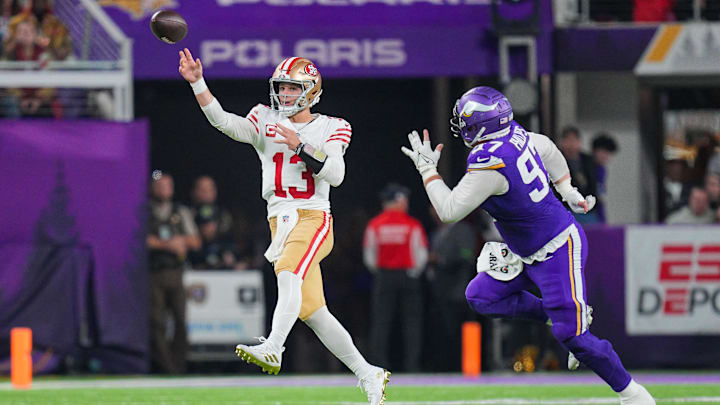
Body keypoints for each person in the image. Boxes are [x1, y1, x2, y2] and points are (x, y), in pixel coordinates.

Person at [400, 86, 655, 405]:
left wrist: (426, 170)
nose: (461, 126)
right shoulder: (515, 135)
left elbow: (449, 211)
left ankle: (633, 395)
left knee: (573, 337)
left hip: (557, 249)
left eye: (465, 119)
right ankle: (557, 313)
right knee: (481, 296)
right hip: (526, 252)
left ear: (482, 123)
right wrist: (568, 189)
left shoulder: (488, 160)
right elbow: (546, 146)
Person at [178, 49, 389, 405]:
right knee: (313, 313)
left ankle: (274, 345)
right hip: (279, 220)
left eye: (292, 88)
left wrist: (299, 144)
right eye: (282, 88)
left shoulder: (332, 126)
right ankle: (369, 373)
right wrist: (198, 82)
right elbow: (224, 122)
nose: (285, 95)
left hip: (313, 216)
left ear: (310, 91)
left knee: (288, 270)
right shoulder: (264, 118)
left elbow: (336, 175)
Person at [362, 183, 428, 372]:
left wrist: (382, 272)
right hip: (408, 277)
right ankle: (412, 366)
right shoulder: (412, 225)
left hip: (384, 277)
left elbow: (369, 256)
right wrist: (413, 273)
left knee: (381, 322)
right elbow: (421, 255)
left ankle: (378, 365)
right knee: (412, 323)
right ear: (399, 200)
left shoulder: (375, 225)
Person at [146, 171, 201, 374]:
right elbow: (141, 240)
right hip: (154, 273)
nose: (164, 189)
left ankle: (179, 366)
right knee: (156, 321)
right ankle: (165, 367)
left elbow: (195, 240)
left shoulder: (180, 211)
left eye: (168, 185)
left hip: (175, 272)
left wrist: (181, 242)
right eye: (160, 185)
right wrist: (166, 244)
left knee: (180, 319)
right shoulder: (145, 210)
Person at [558, 126, 599, 224]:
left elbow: (593, 185)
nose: (571, 144)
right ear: (562, 142)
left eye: (574, 140)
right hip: (567, 208)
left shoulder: (588, 160)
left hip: (588, 208)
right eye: (568, 140)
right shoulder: (557, 160)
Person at [590, 133, 618, 224]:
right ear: (595, 151)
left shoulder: (602, 170)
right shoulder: (588, 167)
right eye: (603, 152)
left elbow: (601, 196)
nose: (605, 156)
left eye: (608, 153)